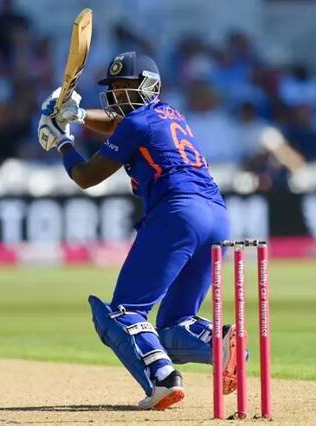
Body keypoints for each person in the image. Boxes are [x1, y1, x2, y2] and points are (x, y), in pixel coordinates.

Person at [38, 51, 241, 410]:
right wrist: (79, 115)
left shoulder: (135, 122)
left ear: (150, 86)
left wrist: (62, 142)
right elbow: (120, 124)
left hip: (177, 214)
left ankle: (163, 380)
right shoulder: (170, 114)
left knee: (122, 313)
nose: (118, 93)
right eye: (114, 88)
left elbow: (86, 177)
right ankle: (220, 342)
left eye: (126, 86)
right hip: (217, 218)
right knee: (174, 325)